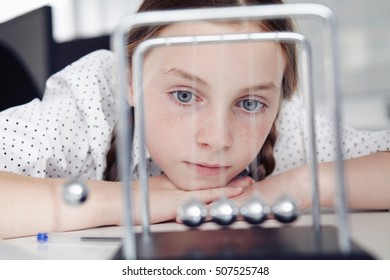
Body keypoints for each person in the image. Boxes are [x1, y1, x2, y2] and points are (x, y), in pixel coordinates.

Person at [0, 0, 389, 239]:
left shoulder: (288, 124)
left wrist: (306, 184)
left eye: (250, 104)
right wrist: (132, 201)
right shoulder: (91, 99)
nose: (218, 139)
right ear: (131, 81)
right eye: (184, 96)